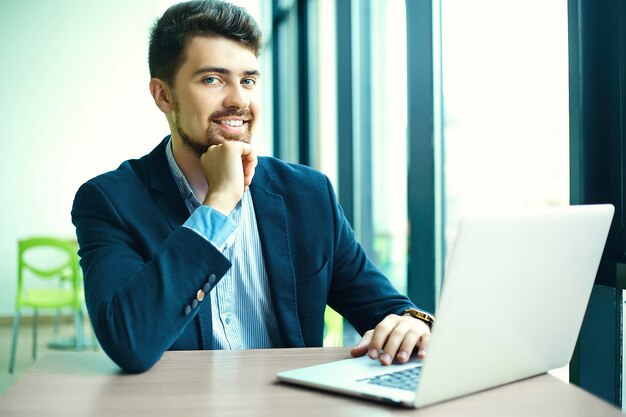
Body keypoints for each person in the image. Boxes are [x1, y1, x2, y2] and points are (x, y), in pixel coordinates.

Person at [71, 0, 434, 374]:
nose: (238, 100)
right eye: (212, 79)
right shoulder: (110, 201)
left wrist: (411, 323)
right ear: (164, 95)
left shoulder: (308, 194)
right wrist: (219, 204)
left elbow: (387, 307)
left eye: (248, 80)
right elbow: (129, 341)